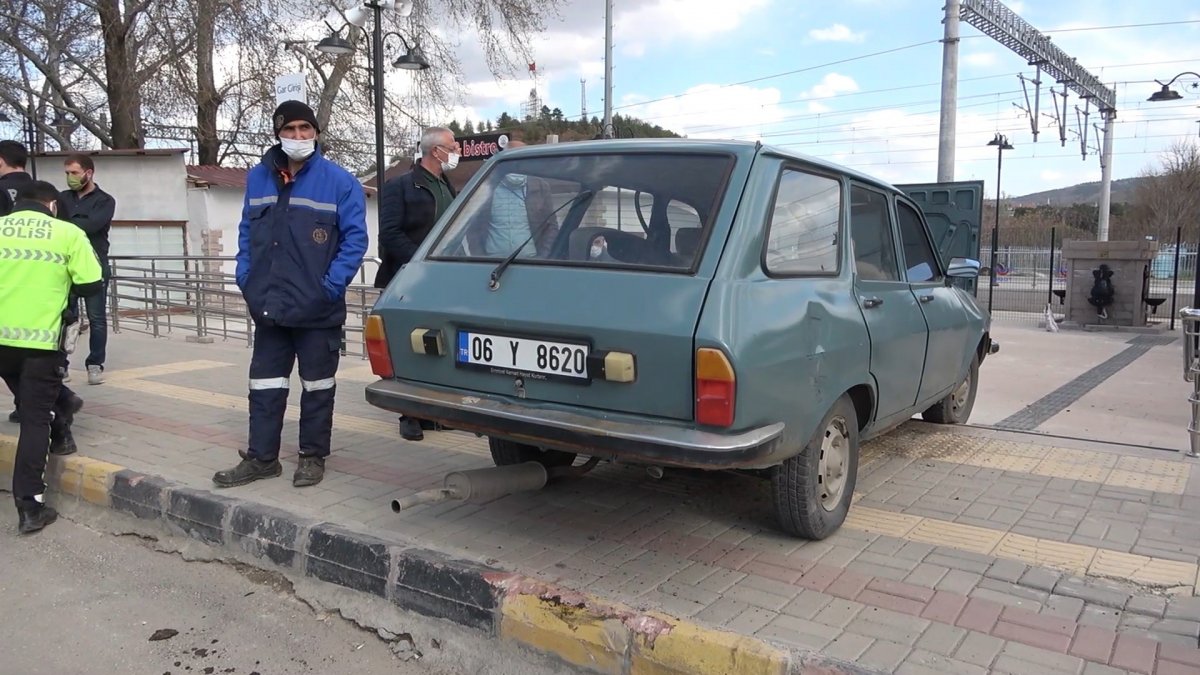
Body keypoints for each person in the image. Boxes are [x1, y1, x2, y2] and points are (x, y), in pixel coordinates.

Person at [212, 101, 367, 489]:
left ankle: (312, 456)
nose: (299, 136)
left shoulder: (339, 181)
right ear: (278, 133)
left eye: (306, 129)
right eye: (291, 129)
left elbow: (355, 241)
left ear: (316, 132)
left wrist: (329, 287)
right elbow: (247, 233)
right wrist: (246, 278)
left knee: (317, 387)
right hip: (270, 306)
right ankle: (262, 457)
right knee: (264, 385)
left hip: (317, 309)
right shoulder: (258, 179)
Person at [0, 180, 103, 533]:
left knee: (31, 402)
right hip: (41, 343)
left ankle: (65, 417)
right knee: (33, 420)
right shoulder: (67, 233)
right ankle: (30, 506)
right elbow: (92, 283)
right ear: (52, 205)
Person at [374, 126, 461, 442]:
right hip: (409, 278)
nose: (456, 151)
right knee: (405, 342)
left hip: (442, 280)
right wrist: (421, 261)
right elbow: (390, 234)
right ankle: (408, 413)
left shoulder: (446, 186)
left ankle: (431, 410)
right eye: (452, 146)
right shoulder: (401, 186)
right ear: (436, 151)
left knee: (436, 343)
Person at [0, 140, 83, 434]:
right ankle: (60, 403)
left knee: (13, 363)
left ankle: (56, 413)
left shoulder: (9, 195)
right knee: (37, 365)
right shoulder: (44, 192)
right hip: (51, 293)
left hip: (10, 294)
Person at [59, 153, 116, 385]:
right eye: (67, 173)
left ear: (88, 173)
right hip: (65, 266)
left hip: (94, 266)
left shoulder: (105, 200)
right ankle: (61, 365)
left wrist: (67, 224)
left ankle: (95, 364)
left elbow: (93, 226)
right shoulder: (61, 198)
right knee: (65, 317)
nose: (70, 177)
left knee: (97, 318)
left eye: (74, 173)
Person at [463, 139, 560, 259]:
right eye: (513, 161)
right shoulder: (487, 187)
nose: (517, 165)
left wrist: (543, 257)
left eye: (521, 160)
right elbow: (473, 226)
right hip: (491, 264)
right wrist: (479, 257)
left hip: (532, 263)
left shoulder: (540, 187)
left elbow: (551, 226)